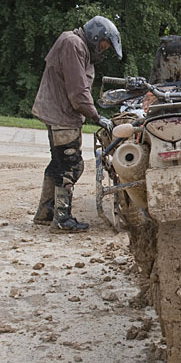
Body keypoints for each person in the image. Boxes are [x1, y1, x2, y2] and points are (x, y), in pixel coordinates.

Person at [32, 16, 122, 232]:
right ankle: (62, 219)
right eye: (104, 44)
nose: (104, 49)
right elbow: (77, 92)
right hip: (62, 115)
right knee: (72, 165)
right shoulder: (73, 44)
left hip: (58, 112)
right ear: (95, 36)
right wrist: (96, 116)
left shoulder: (73, 43)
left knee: (58, 163)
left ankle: (46, 212)